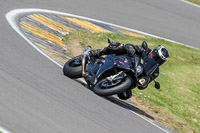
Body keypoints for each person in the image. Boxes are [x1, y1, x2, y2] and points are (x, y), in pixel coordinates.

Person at [89, 39, 169, 89]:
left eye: (160, 60)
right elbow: (129, 45)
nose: (158, 61)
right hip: (123, 60)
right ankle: (96, 53)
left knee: (126, 95)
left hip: (133, 73)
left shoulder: (155, 72)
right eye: (157, 57)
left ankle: (111, 83)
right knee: (119, 46)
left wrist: (144, 83)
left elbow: (143, 86)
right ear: (154, 53)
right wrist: (131, 48)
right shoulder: (145, 50)